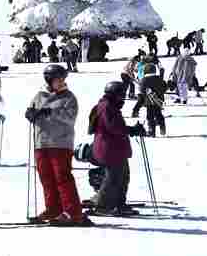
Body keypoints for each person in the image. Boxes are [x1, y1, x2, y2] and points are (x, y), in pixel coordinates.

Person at [24, 66, 88, 225]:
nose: (61, 82)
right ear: (49, 80)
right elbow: (32, 111)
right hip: (41, 142)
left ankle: (72, 212)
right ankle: (53, 208)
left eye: (62, 79)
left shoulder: (69, 97)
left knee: (62, 177)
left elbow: (70, 117)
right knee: (46, 177)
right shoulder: (39, 96)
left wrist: (50, 113)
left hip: (60, 142)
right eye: (58, 80)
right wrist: (30, 114)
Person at [88, 81, 146, 215]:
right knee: (113, 178)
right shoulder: (107, 107)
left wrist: (131, 130)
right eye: (121, 95)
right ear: (114, 94)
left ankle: (119, 204)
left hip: (115, 148)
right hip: (109, 148)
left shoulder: (110, 106)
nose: (123, 98)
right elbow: (114, 127)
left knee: (123, 177)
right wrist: (132, 130)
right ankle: (103, 206)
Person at [140, 63, 166, 137]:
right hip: (158, 101)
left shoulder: (144, 80)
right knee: (159, 114)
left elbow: (142, 91)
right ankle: (162, 127)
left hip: (149, 102)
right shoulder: (159, 78)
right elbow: (164, 87)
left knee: (150, 116)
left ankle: (152, 131)